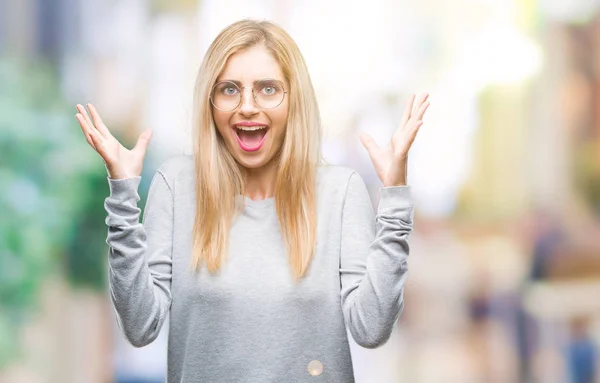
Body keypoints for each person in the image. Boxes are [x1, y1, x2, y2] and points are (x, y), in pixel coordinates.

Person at [75, 19, 429, 383]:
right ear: (210, 103)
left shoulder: (340, 192)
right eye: (229, 89)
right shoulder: (176, 186)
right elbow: (139, 326)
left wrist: (395, 198)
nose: (247, 106)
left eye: (268, 89)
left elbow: (372, 329)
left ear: (295, 101)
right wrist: (122, 196)